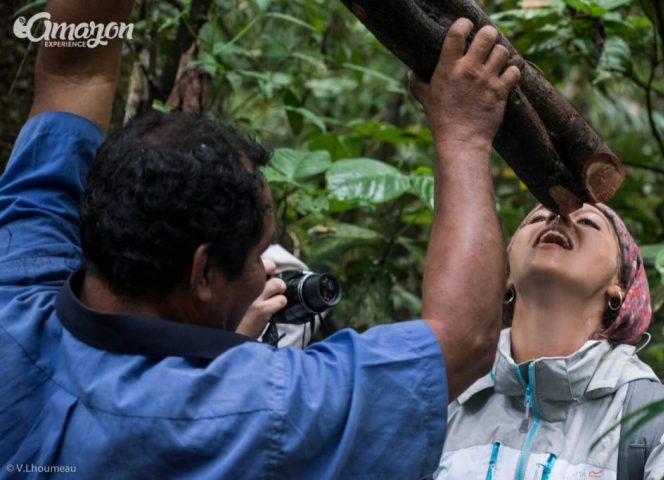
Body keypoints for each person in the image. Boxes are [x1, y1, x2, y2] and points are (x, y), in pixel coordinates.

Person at [0, 0, 520, 475]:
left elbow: (73, 75)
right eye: (256, 253)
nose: (268, 268)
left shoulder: (17, 288)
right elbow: (463, 338)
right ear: (203, 272)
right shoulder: (249, 413)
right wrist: (465, 135)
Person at [432, 204, 664, 479]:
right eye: (538, 218)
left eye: (588, 222)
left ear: (619, 288)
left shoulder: (659, 422)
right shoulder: (447, 395)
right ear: (508, 279)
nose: (557, 217)